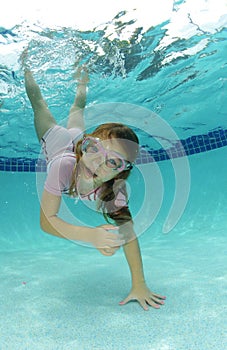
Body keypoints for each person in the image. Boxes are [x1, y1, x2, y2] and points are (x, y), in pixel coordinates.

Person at [23, 60, 166, 311]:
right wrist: (92, 236)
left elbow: (128, 234)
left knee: (77, 107)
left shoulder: (114, 191)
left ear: (121, 171)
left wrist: (139, 284)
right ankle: (28, 69)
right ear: (88, 145)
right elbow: (47, 221)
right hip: (60, 141)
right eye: (95, 148)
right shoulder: (62, 167)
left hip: (78, 143)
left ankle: (81, 83)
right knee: (40, 105)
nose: (98, 163)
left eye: (112, 162)